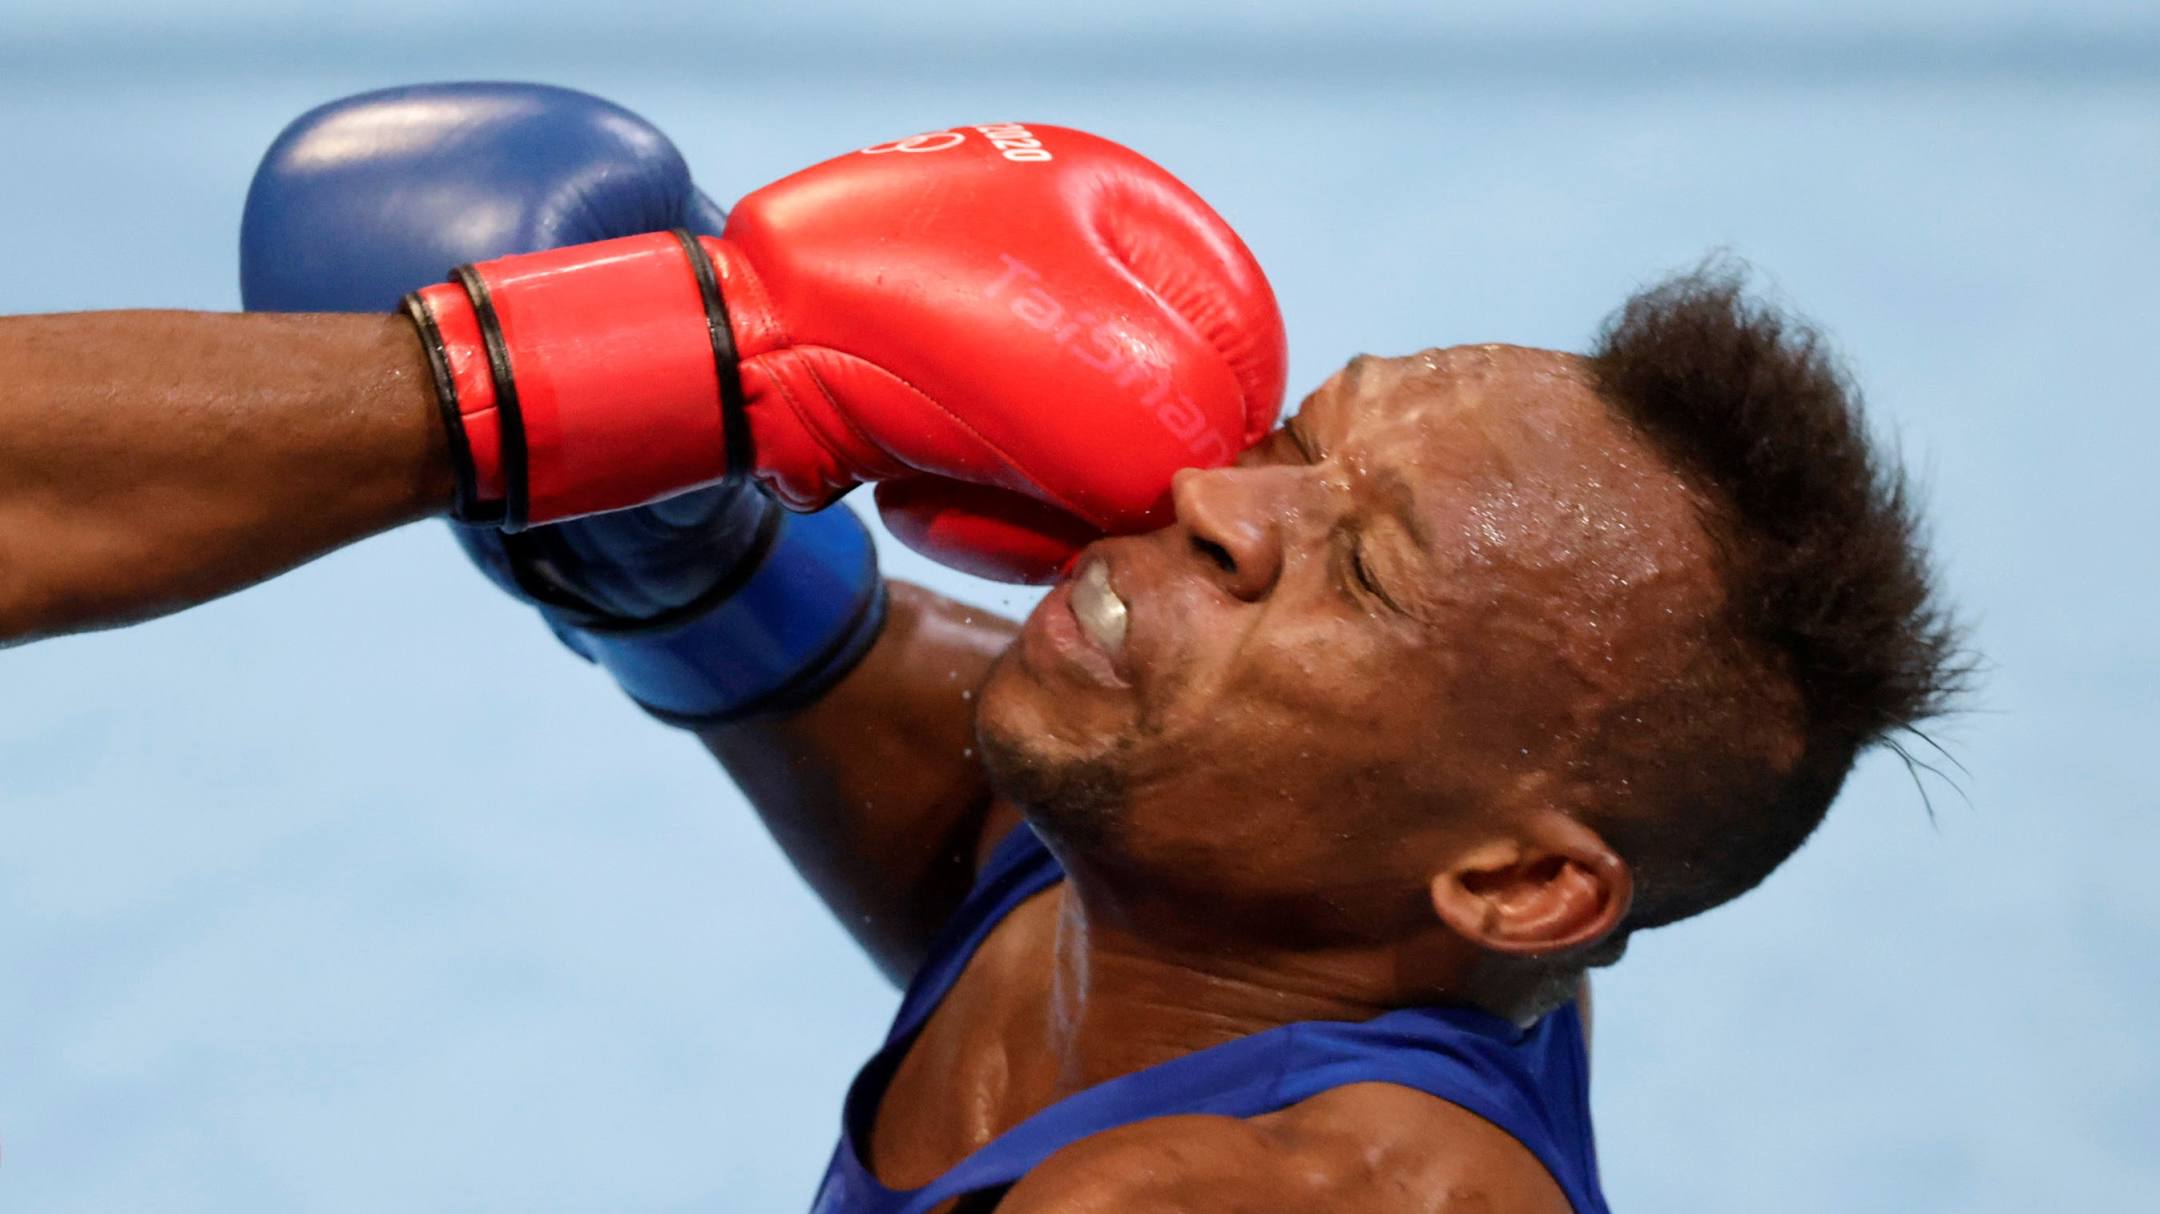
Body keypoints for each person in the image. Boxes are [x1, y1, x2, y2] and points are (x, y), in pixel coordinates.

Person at [0, 84, 1964, 1213]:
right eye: (1293, 450)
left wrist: (596, 377)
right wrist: (679, 550)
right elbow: (894, 754)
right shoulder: (1246, 872)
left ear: (1527, 886)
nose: (1215, 499)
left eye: (1355, 572)